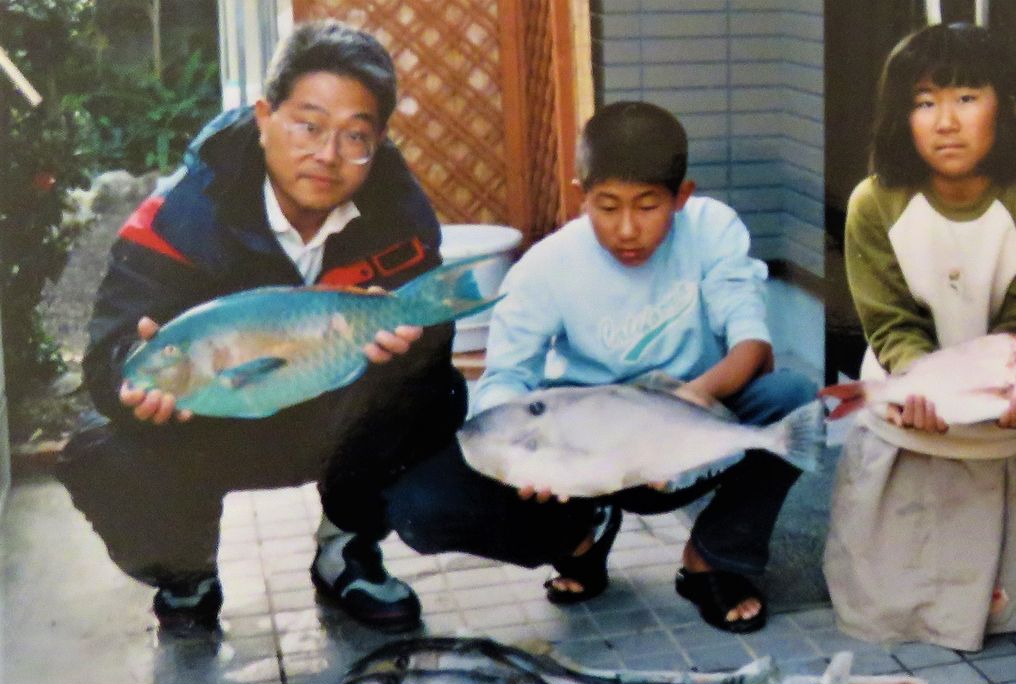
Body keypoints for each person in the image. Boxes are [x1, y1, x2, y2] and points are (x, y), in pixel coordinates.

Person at [56, 19, 466, 632]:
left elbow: (432, 325)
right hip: (212, 417)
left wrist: (408, 340)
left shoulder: (398, 209)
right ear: (264, 114)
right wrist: (130, 375)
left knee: (436, 394)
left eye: (356, 136)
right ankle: (186, 571)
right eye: (308, 125)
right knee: (103, 453)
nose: (327, 155)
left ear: (378, 141)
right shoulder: (182, 215)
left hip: (336, 411)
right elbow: (107, 351)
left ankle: (346, 548)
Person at [388, 101, 816, 633]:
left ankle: (711, 557)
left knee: (793, 400)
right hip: (580, 457)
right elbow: (505, 378)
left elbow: (754, 348)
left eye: (648, 205)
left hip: (685, 439)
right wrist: (523, 458)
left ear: (682, 197)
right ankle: (579, 539)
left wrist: (690, 401)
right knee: (422, 507)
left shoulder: (713, 229)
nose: (628, 229)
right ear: (579, 196)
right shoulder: (546, 266)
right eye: (607, 207)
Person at [823, 22, 1016, 651]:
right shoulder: (872, 203)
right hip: (910, 401)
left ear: (1005, 106)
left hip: (999, 413)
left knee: (1008, 607)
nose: (945, 121)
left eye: (966, 98)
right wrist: (916, 380)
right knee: (886, 606)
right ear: (899, 117)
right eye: (923, 101)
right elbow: (888, 321)